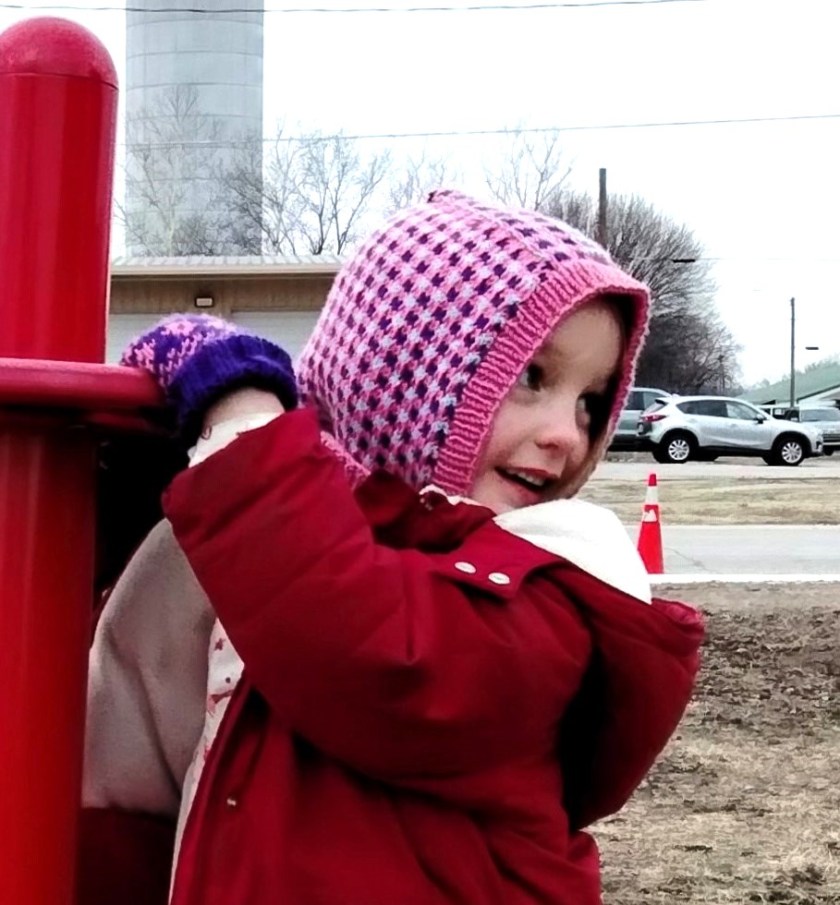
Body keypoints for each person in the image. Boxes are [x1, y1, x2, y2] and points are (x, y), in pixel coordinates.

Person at [80, 190, 704, 905]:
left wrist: (243, 422)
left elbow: (366, 652)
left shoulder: (553, 588)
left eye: (590, 401)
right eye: (533, 378)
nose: (568, 432)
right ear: (403, 371)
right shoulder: (283, 552)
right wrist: (143, 486)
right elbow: (133, 756)